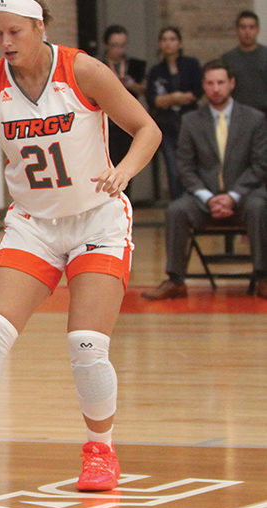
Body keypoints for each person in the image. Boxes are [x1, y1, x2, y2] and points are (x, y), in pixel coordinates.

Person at [0, 1, 161, 508]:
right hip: (33, 224)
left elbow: (148, 130)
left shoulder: (82, 71)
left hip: (98, 219)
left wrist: (122, 170)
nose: (6, 41)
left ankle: (101, 448)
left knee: (85, 344)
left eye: (15, 31)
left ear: (39, 27)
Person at [142, 60, 267, 301]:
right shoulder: (190, 121)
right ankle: (176, 280)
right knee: (177, 210)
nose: (216, 88)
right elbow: (185, 167)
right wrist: (209, 198)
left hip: (244, 197)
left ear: (231, 84)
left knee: (259, 206)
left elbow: (260, 165)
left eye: (221, 82)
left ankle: (262, 277)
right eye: (210, 83)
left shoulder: (255, 119)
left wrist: (232, 196)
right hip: (204, 199)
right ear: (204, 86)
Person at [147, 26, 203, 201]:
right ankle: (177, 204)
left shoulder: (191, 64)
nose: (168, 43)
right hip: (167, 125)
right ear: (159, 44)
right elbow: (154, 99)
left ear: (179, 43)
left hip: (189, 123)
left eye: (172, 39)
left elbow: (197, 92)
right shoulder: (156, 71)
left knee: (192, 164)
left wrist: (169, 99)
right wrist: (176, 97)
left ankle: (194, 201)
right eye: (164, 39)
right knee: (172, 167)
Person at [100, 25, 148, 170]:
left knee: (127, 163)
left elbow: (145, 90)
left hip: (128, 117)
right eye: (115, 45)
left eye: (122, 45)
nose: (119, 50)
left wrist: (131, 84)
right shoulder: (97, 64)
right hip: (105, 118)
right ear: (107, 45)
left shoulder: (135, 65)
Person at [222, 11, 267, 115]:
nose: (247, 32)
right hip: (237, 115)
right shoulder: (227, 59)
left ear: (258, 30)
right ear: (237, 31)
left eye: (251, 27)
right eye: (243, 27)